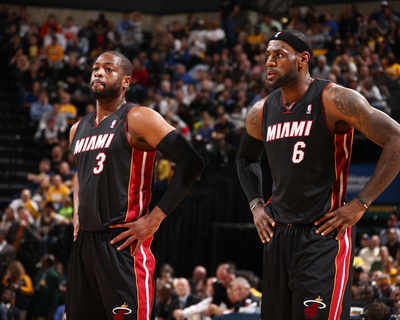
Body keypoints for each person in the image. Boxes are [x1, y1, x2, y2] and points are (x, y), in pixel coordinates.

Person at [236, 30, 400, 320]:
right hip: (277, 235)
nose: (269, 62)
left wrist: (360, 203)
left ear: (303, 59)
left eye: (279, 55)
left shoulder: (334, 99)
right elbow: (245, 157)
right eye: (267, 56)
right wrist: (256, 205)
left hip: (323, 235)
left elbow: (396, 139)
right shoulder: (261, 110)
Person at [64, 51, 204, 320]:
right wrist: (77, 215)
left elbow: (191, 162)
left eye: (108, 69)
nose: (98, 73)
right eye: (95, 68)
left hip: (123, 241)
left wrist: (155, 218)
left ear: (126, 81)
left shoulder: (138, 118)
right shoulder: (77, 128)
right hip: (85, 245)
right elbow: (80, 175)